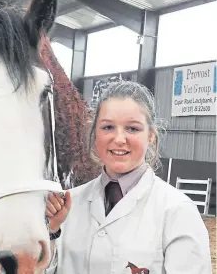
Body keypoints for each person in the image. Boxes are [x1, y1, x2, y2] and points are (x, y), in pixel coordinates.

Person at [45, 81, 212, 274]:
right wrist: (51, 232)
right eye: (108, 127)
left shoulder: (178, 212)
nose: (118, 139)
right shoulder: (66, 205)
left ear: (150, 136)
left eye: (132, 129)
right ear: (94, 132)